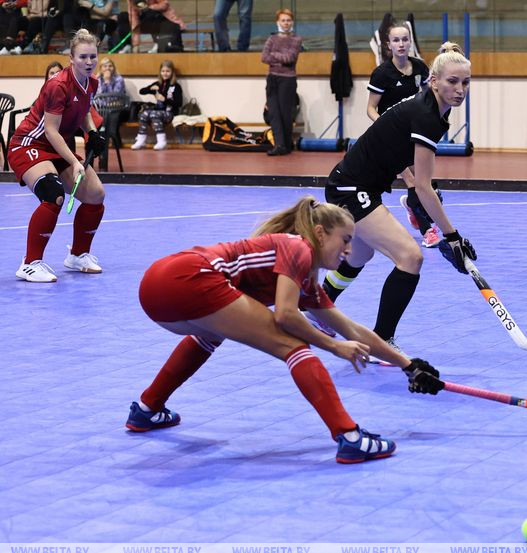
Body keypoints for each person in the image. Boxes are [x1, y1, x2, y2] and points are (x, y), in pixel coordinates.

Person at [128, 196, 445, 464]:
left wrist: (408, 366)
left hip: (157, 287)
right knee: (293, 345)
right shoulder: (299, 248)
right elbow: (286, 315)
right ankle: (349, 437)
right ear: (320, 234)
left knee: (210, 334)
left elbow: (351, 329)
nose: (349, 250)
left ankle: (147, 407)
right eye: (345, 240)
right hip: (188, 277)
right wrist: (334, 347)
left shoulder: (305, 278)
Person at [319, 42, 476, 352]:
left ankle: (317, 307)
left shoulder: (431, 108)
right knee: (410, 257)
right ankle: (382, 341)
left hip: (359, 184)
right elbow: (424, 187)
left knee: (359, 256)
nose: (460, 90)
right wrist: (453, 236)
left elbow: (412, 172)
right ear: (434, 81)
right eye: (452, 81)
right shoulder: (427, 115)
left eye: (466, 82)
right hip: (351, 188)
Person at [7, 29, 107, 283]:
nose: (89, 62)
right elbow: (51, 131)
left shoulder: (92, 82)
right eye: (83, 57)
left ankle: (78, 256)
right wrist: (74, 161)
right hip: (28, 144)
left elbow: (84, 111)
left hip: (55, 146)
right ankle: (30, 264)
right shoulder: (58, 86)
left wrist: (92, 132)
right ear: (71, 58)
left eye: (92, 57)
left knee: (96, 194)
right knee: (53, 193)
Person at [367, 21, 441, 249]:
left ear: (410, 42)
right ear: (388, 45)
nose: (401, 44)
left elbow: (429, 98)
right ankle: (428, 231)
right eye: (396, 40)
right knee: (413, 183)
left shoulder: (419, 68)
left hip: (414, 135)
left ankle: (412, 206)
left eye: (405, 39)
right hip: (390, 139)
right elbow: (370, 108)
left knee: (427, 184)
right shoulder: (382, 74)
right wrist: (385, 126)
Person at [260, 8, 300, 157]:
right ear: (278, 22)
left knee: (285, 113)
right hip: (272, 79)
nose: (286, 23)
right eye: (283, 20)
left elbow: (290, 58)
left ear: (292, 22)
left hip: (287, 80)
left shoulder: (296, 39)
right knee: (274, 113)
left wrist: (274, 56)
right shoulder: (272, 39)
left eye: (288, 20)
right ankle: (279, 145)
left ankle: (287, 144)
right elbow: (264, 57)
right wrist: (279, 58)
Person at [131, 59, 182, 150]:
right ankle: (141, 140)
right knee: (144, 114)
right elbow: (141, 91)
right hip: (158, 110)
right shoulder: (158, 84)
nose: (165, 73)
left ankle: (162, 141)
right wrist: (150, 88)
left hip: (170, 112)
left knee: (154, 114)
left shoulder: (176, 86)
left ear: (172, 72)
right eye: (163, 71)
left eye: (167, 71)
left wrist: (164, 100)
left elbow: (179, 103)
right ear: (160, 72)